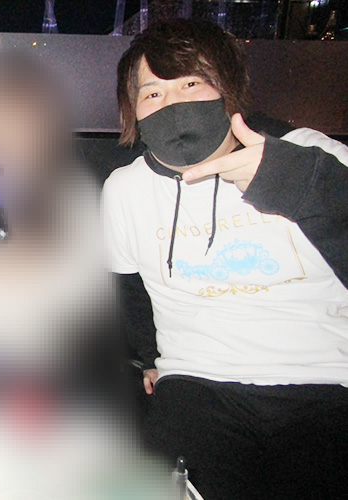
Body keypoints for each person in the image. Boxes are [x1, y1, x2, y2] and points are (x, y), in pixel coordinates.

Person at [102, 19, 348, 500]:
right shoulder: (125, 189)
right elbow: (129, 287)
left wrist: (297, 185)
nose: (171, 104)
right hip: (196, 381)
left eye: (191, 84)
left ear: (228, 87)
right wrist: (150, 359)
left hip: (326, 381)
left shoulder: (309, 156)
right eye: (152, 93)